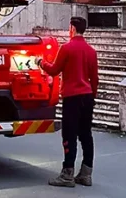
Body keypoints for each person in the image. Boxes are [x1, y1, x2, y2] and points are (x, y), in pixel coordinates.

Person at [36, 16, 99, 188]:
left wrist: (41, 62)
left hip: (72, 97)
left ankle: (67, 174)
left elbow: (55, 70)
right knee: (86, 135)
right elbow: (95, 78)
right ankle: (86, 174)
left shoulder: (67, 48)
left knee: (69, 135)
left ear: (71, 28)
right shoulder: (91, 51)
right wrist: (92, 97)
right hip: (87, 96)